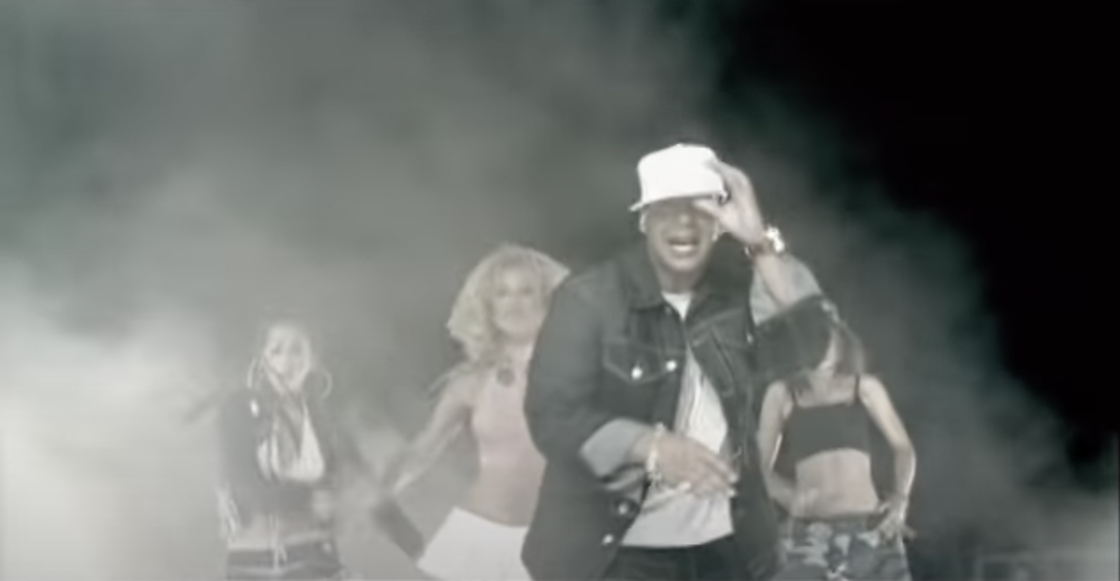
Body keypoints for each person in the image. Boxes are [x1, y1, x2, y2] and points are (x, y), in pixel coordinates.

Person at [521, 143, 830, 581]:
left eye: (701, 210)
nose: (684, 222)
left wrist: (759, 244)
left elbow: (813, 344)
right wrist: (650, 447)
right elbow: (551, 415)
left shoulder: (737, 294)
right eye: (667, 209)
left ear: (719, 224)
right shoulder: (588, 297)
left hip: (730, 551)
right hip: (617, 555)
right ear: (644, 220)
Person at [382, 245, 569, 580]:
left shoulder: (581, 375)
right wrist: (380, 488)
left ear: (547, 299)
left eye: (526, 291)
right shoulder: (470, 383)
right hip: (477, 538)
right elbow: (423, 450)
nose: (513, 303)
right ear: (487, 305)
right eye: (502, 293)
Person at [756, 306, 916, 580]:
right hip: (809, 534)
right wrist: (785, 493)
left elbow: (904, 449)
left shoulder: (863, 386)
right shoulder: (782, 393)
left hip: (869, 527)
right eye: (818, 339)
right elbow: (757, 469)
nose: (828, 347)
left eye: (831, 337)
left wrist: (900, 499)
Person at [215, 320, 371, 580]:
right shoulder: (239, 408)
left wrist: (346, 501)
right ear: (262, 359)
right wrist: (311, 498)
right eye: (276, 351)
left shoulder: (324, 415)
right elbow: (243, 483)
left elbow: (352, 480)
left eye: (297, 350)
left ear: (313, 359)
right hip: (258, 563)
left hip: (317, 558)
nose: (287, 361)